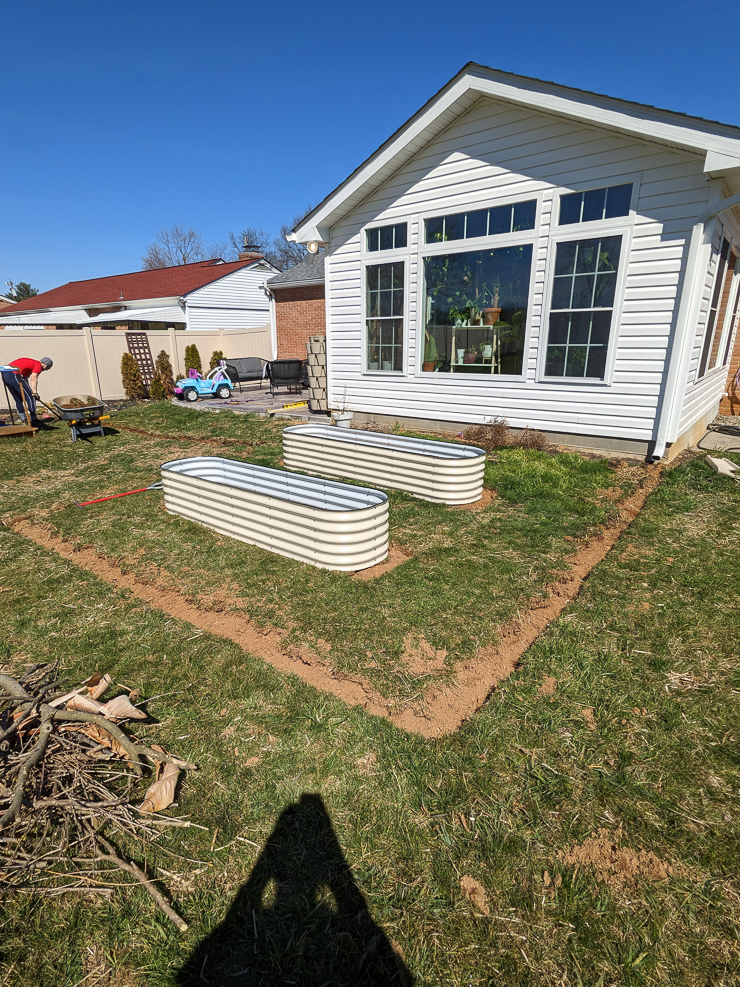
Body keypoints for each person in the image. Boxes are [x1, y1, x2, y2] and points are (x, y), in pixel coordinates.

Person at [0, 356, 53, 423]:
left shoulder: (31, 364)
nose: (47, 369)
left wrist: (29, 390)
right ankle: (34, 420)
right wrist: (34, 392)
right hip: (14, 374)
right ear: (45, 365)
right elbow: (34, 378)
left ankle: (24, 419)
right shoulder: (38, 365)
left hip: (5, 374)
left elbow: (25, 381)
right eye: (48, 368)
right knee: (31, 397)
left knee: (19, 399)